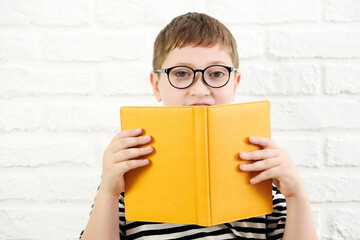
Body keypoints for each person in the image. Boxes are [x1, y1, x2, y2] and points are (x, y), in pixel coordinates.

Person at [80, 12, 318, 240]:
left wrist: (297, 195)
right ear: (156, 85)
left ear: (234, 84)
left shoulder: (262, 169)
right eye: (181, 73)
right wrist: (108, 193)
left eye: (216, 73)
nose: (200, 89)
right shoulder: (126, 172)